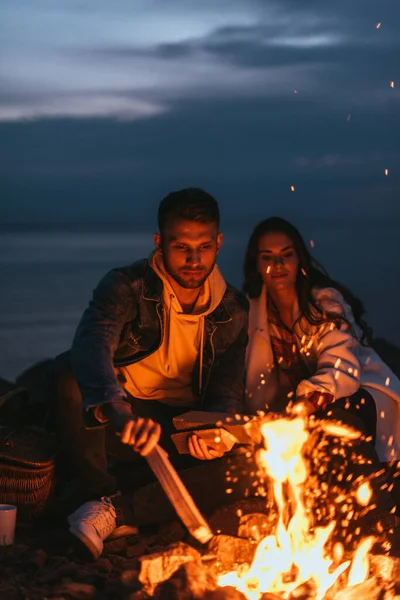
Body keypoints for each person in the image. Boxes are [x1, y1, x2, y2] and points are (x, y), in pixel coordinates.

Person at [52, 188, 249, 559]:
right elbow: (92, 344)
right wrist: (118, 410)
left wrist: (215, 433)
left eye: (204, 247)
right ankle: (103, 493)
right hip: (120, 420)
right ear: (160, 243)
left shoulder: (234, 310)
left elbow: (227, 392)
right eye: (181, 247)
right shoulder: (128, 286)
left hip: (178, 429)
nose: (194, 259)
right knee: (67, 373)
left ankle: (115, 511)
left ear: (219, 242)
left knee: (250, 463)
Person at [244, 217, 400, 465]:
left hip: (355, 393)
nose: (279, 264)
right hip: (297, 409)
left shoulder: (324, 303)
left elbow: (342, 367)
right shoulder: (253, 311)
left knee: (335, 424)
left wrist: (307, 404)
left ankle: (371, 492)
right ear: (256, 264)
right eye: (267, 257)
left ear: (299, 259)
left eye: (287, 254)